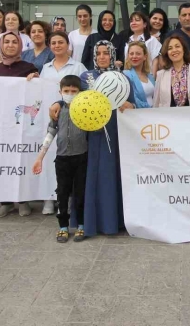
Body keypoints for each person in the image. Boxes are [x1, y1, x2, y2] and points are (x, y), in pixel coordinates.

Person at [79, 41, 134, 236]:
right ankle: (96, 223)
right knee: (97, 176)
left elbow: (132, 104)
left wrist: (128, 105)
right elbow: (77, 102)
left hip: (118, 133)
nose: (102, 57)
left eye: (106, 53)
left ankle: (116, 222)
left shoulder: (123, 77)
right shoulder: (85, 77)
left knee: (115, 176)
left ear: (112, 55)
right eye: (99, 53)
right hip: (95, 134)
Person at [0, 32, 39, 218]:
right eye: (6, 42)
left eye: (14, 41)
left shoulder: (28, 67)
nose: (10, 45)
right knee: (3, 162)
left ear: (20, 45)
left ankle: (23, 201)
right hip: (0, 124)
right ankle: (5, 203)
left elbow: (35, 93)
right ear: (1, 45)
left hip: (20, 123)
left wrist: (36, 80)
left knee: (20, 161)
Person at [32, 74, 88, 243]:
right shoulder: (57, 111)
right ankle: (63, 227)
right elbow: (51, 133)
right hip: (63, 159)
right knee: (62, 193)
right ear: (60, 92)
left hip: (82, 158)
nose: (70, 93)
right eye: (66, 91)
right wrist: (40, 157)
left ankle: (81, 225)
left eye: (74, 91)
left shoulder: (85, 110)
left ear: (80, 92)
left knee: (80, 193)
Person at [153, 36, 190, 107]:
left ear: (183, 49)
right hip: (168, 117)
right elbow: (156, 102)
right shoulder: (161, 74)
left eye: (177, 46)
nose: (174, 50)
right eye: (170, 48)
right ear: (167, 53)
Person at [123, 42, 155, 108]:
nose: (134, 56)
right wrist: (151, 108)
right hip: (139, 115)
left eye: (138, 54)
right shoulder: (125, 75)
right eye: (131, 54)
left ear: (145, 57)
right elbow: (134, 99)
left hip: (154, 114)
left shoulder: (150, 76)